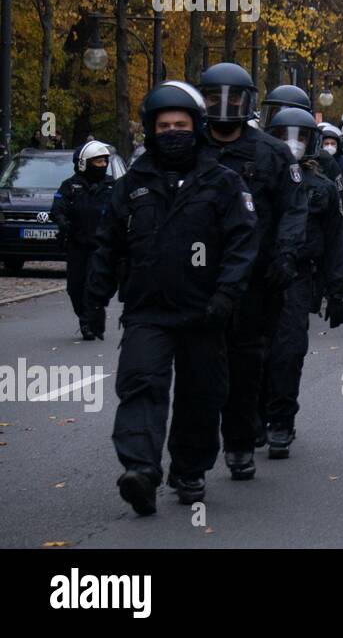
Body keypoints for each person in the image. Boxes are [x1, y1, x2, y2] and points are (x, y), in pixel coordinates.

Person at [83, 82, 258, 513]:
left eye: (181, 124)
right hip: (148, 310)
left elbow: (242, 243)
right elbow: (107, 244)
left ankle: (189, 468)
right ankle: (140, 470)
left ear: (196, 127)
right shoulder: (132, 185)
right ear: (150, 129)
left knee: (202, 395)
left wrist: (226, 295)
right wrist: (94, 299)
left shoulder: (223, 182)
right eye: (164, 125)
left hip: (204, 312)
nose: (173, 131)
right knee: (141, 385)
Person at [197, 63, 308, 481]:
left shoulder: (273, 153)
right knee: (199, 367)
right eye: (214, 97)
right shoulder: (190, 148)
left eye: (233, 97)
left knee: (246, 365)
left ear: (248, 102)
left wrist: (285, 255)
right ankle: (193, 455)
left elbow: (293, 210)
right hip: (200, 275)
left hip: (255, 278)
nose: (223, 106)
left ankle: (241, 442)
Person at [262, 108, 343, 458]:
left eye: (300, 137)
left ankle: (281, 419)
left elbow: (335, 239)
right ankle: (252, 414)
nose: (292, 145)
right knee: (251, 350)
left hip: (297, 274)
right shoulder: (255, 175)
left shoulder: (323, 187)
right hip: (254, 273)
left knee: (289, 347)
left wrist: (337, 290)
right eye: (285, 136)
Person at [51, 140, 115, 339]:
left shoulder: (112, 185)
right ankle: (84, 316)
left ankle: (90, 321)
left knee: (93, 285)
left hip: (101, 246)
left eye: (105, 161)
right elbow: (57, 208)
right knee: (75, 288)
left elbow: (122, 211)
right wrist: (62, 221)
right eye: (98, 162)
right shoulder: (70, 186)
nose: (103, 165)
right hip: (77, 244)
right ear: (84, 163)